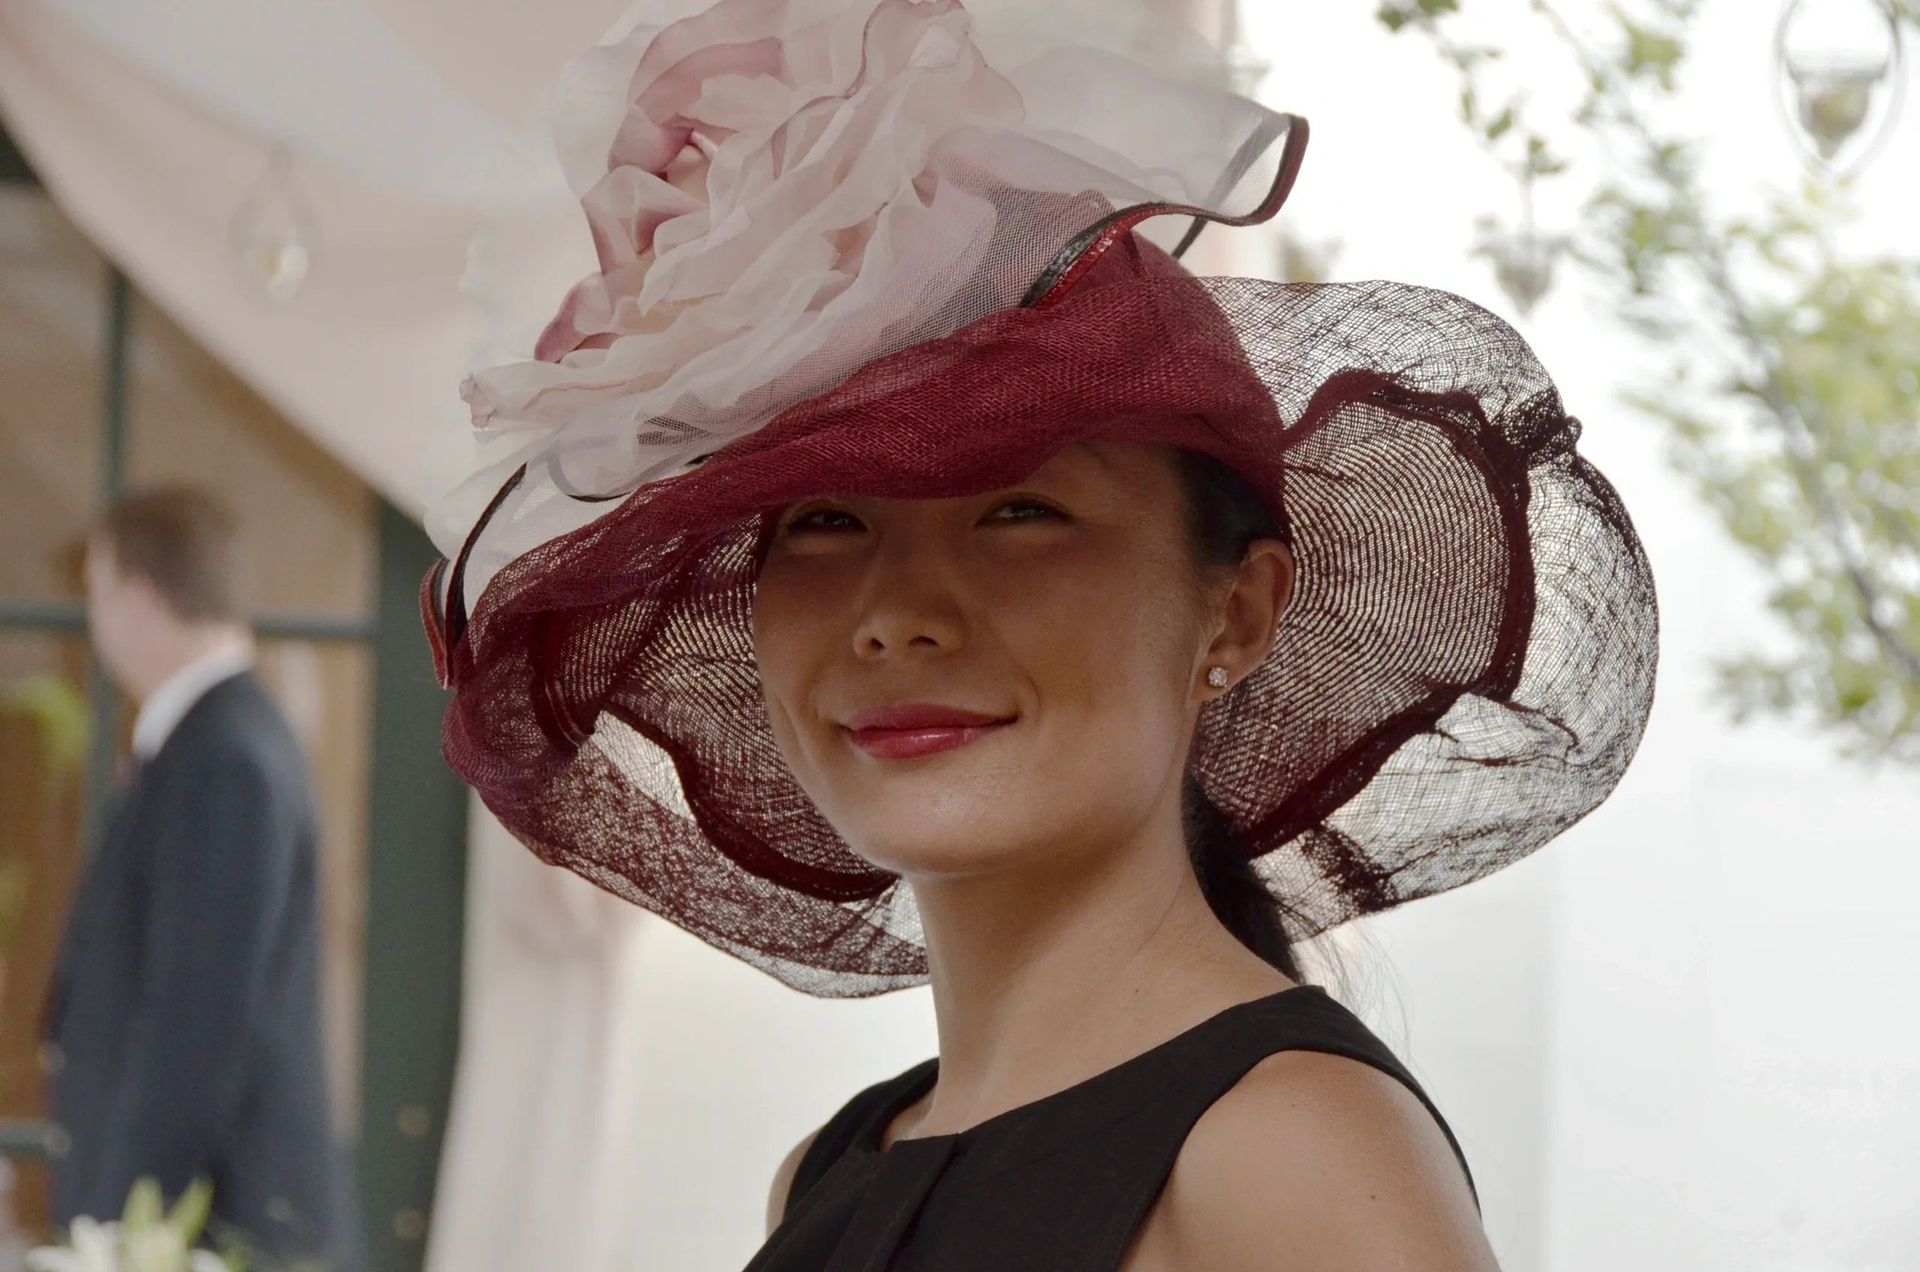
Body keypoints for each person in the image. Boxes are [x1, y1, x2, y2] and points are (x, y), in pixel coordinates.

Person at [423, 1, 1659, 1267]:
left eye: (1021, 511)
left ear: (1235, 611)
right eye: (827, 523)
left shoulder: (1291, 1160)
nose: (897, 614)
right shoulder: (834, 1173)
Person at [46, 486, 363, 1269]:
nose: (95, 624)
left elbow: (196, 1020)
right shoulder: (214, 743)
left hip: (210, 1224)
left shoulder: (226, 759)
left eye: (97, 593)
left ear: (140, 598)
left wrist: (120, 1225)